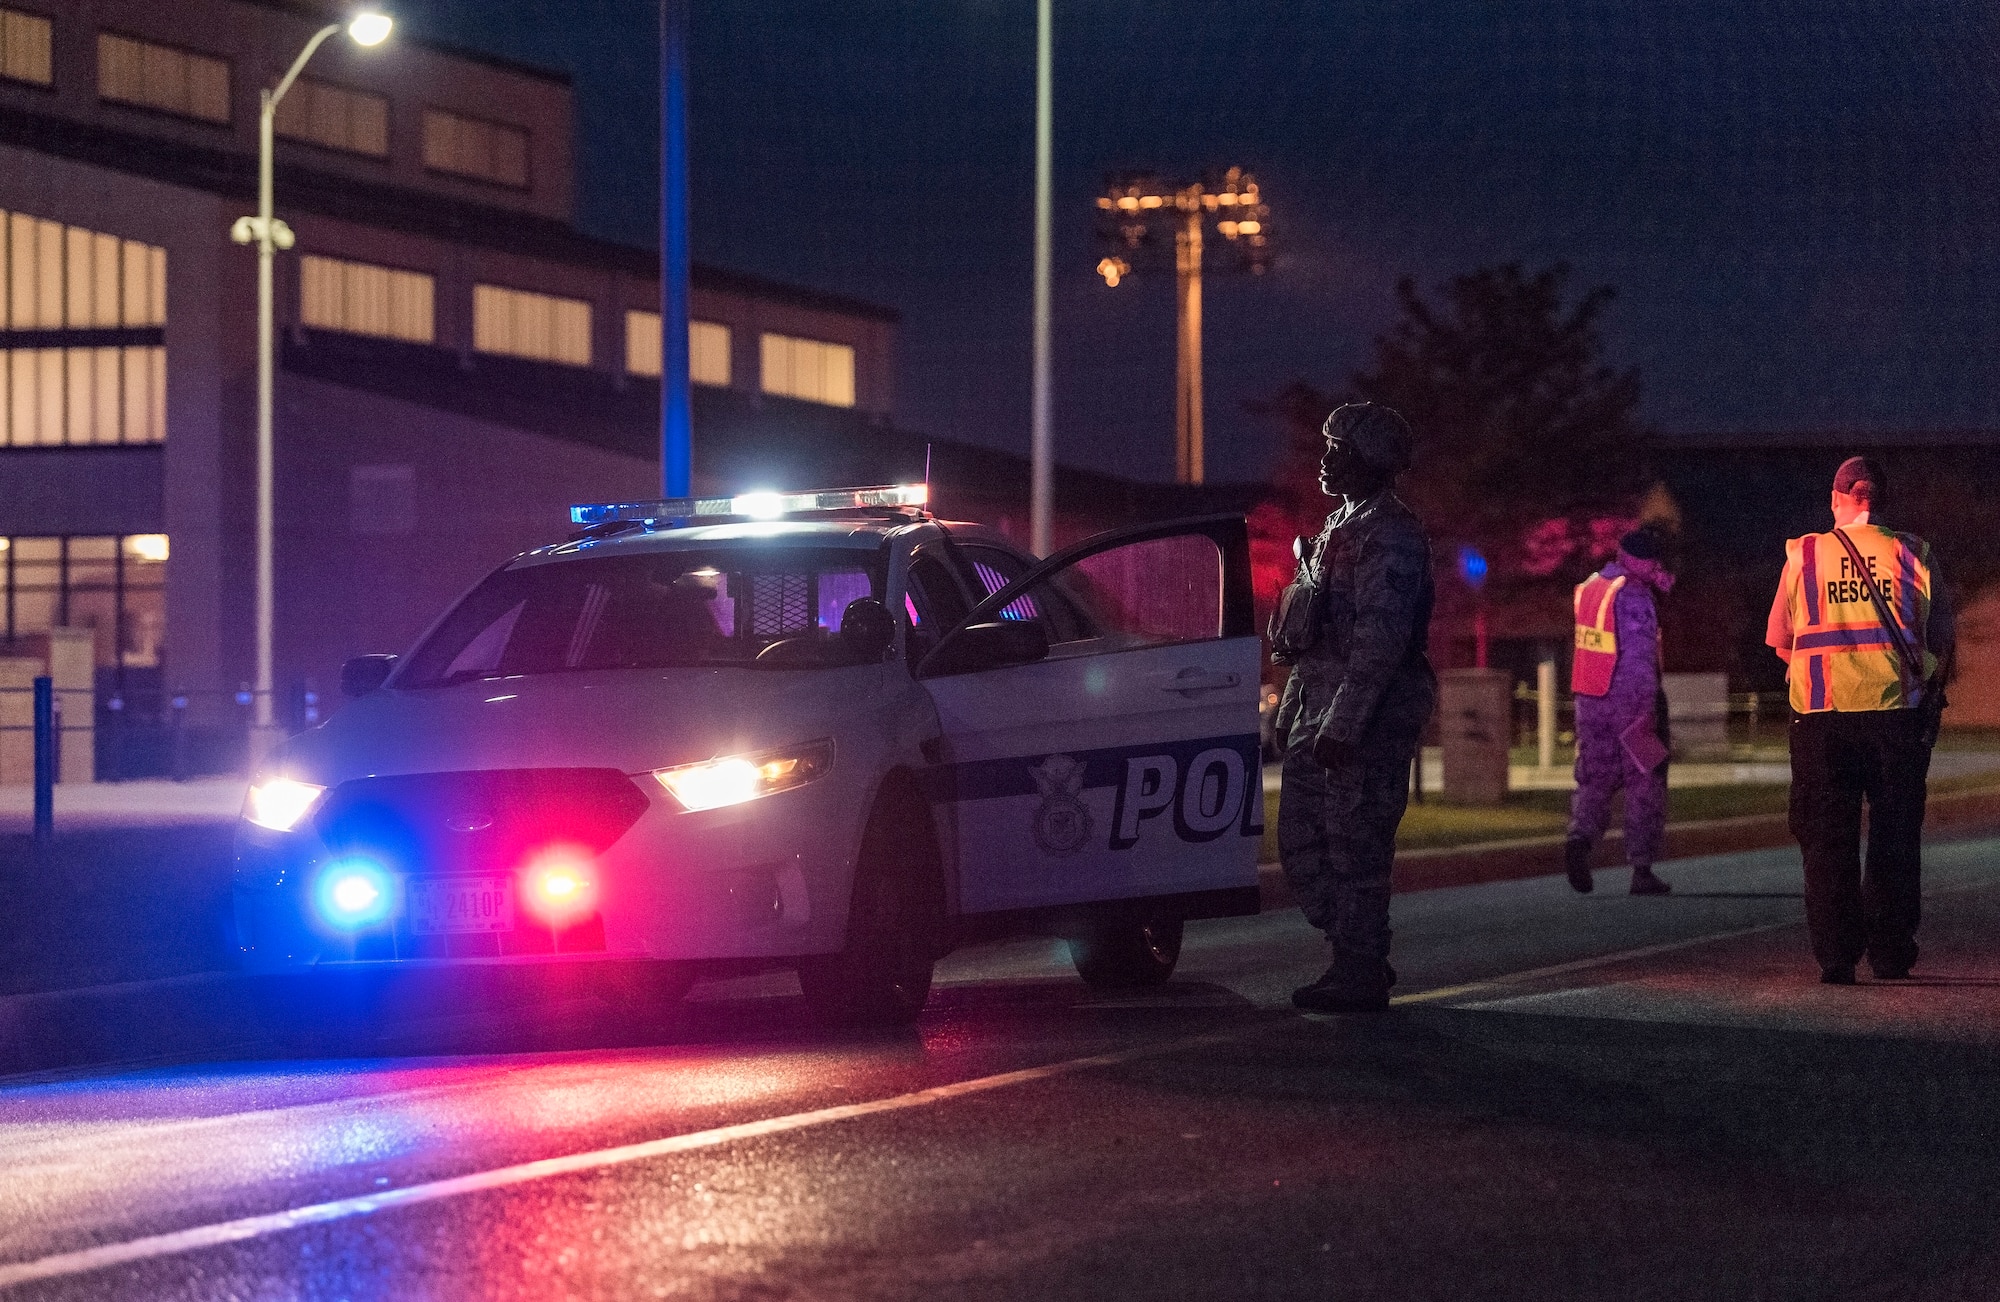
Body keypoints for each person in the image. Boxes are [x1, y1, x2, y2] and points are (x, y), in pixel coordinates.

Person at [1272, 402, 1437, 1013]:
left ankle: (1359, 965)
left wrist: (1345, 723)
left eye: (1335, 448)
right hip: (1317, 709)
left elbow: (1379, 641)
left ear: (1368, 457)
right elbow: (1309, 638)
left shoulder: (1388, 533)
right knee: (1300, 842)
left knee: (1355, 845)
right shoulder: (1339, 525)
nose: (1323, 458)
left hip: (1363, 720)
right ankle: (1353, 950)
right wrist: (1288, 713)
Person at [1767, 456, 1953, 985]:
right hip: (1896, 717)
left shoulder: (1803, 554)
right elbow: (1939, 639)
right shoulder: (1913, 553)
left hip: (1821, 718)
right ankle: (1891, 953)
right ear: (1879, 499)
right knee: (1895, 837)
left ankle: (1836, 957)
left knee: (1826, 839)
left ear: (1837, 498)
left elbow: (1781, 642)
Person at [1564, 529, 1676, 896]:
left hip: (1590, 699)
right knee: (1646, 780)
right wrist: (1650, 709)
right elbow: (1639, 659)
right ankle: (1641, 869)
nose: (1658, 567)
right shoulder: (1633, 594)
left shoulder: (1592, 587)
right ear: (1639, 560)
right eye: (1654, 561)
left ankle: (1580, 840)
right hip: (1630, 702)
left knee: (1595, 779)